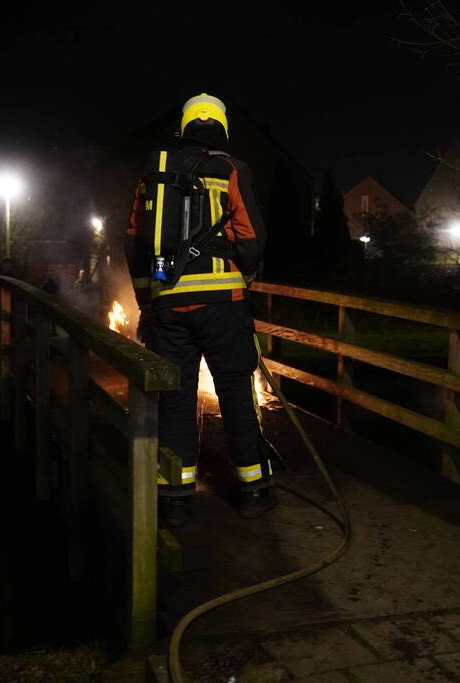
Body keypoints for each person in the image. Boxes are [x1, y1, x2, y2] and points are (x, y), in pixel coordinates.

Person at [125, 92, 275, 528]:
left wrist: (146, 299)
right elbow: (252, 236)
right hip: (223, 304)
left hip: (169, 306)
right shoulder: (231, 169)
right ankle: (254, 491)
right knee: (235, 392)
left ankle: (174, 498)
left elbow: (134, 241)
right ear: (222, 129)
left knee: (175, 399)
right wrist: (243, 280)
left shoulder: (152, 173)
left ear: (185, 126)